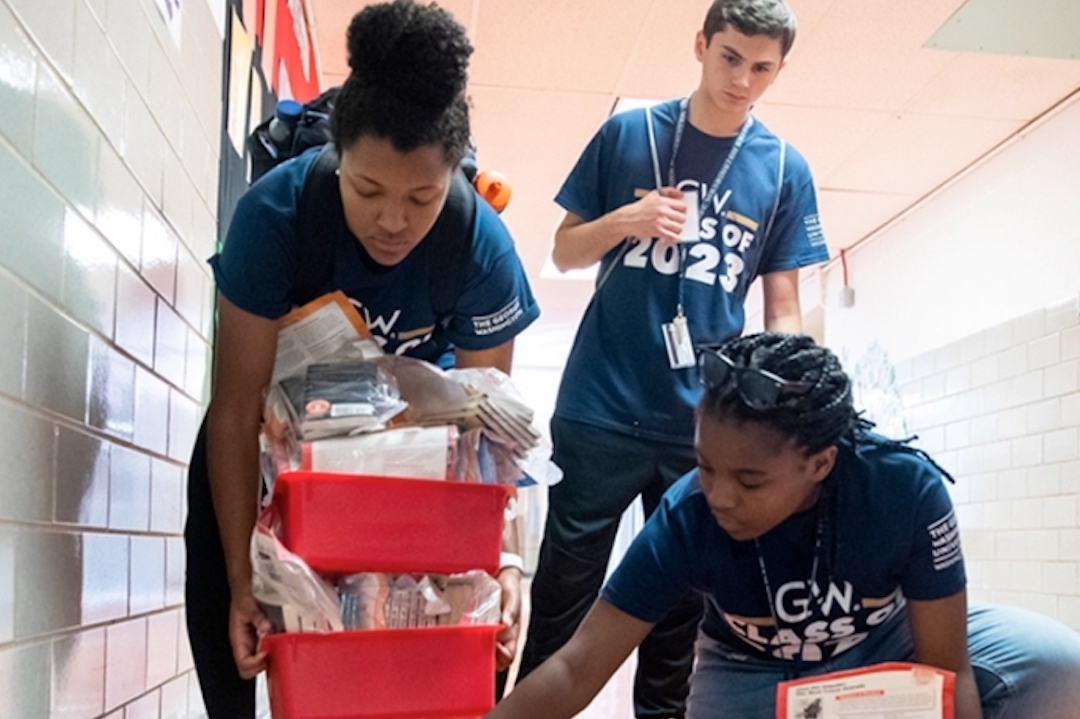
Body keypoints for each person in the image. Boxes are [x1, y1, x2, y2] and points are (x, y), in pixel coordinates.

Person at [183, 3, 539, 717]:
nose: (394, 221)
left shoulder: (480, 247)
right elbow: (235, 408)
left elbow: (486, 435)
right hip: (277, 444)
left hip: (413, 457)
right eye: (368, 190)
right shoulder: (276, 217)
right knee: (235, 613)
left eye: (423, 196)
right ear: (339, 161)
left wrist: (505, 567)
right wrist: (241, 583)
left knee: (473, 630)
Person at [494, 332, 1080, 719]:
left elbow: (944, 671)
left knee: (1058, 663)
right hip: (752, 665)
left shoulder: (903, 490)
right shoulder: (688, 513)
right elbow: (576, 668)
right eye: (704, 466)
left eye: (749, 481)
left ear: (819, 463)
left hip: (883, 645)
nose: (720, 495)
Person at [518, 2, 828, 716]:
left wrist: (797, 408)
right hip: (599, 408)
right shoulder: (630, 133)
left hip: (704, 428)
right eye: (729, 58)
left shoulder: (782, 168)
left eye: (762, 67)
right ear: (700, 45)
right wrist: (627, 219)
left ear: (779, 69)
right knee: (564, 591)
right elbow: (563, 250)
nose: (742, 79)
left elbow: (782, 307)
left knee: (683, 605)